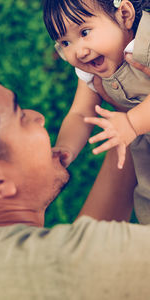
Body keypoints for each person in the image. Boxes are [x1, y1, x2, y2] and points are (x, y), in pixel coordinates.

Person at [0, 52, 150, 300]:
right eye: (21, 117)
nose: (38, 116)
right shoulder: (58, 265)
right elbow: (77, 258)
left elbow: (84, 243)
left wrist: (130, 117)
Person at [43, 0, 150, 224]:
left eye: (85, 32)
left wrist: (132, 123)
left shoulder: (146, 41)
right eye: (65, 42)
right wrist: (64, 149)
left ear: (124, 15)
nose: (79, 51)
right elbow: (81, 113)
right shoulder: (91, 72)